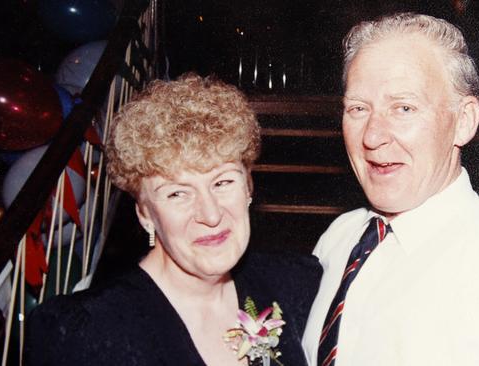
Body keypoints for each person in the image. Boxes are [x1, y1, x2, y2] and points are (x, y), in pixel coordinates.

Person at [302, 12, 479, 366]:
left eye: (404, 108)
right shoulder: (338, 239)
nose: (373, 136)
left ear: (464, 121)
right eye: (358, 109)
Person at [25, 74, 321, 366]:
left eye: (222, 183)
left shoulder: (295, 285)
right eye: (178, 194)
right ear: (145, 214)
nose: (211, 215)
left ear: (249, 188)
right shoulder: (85, 332)